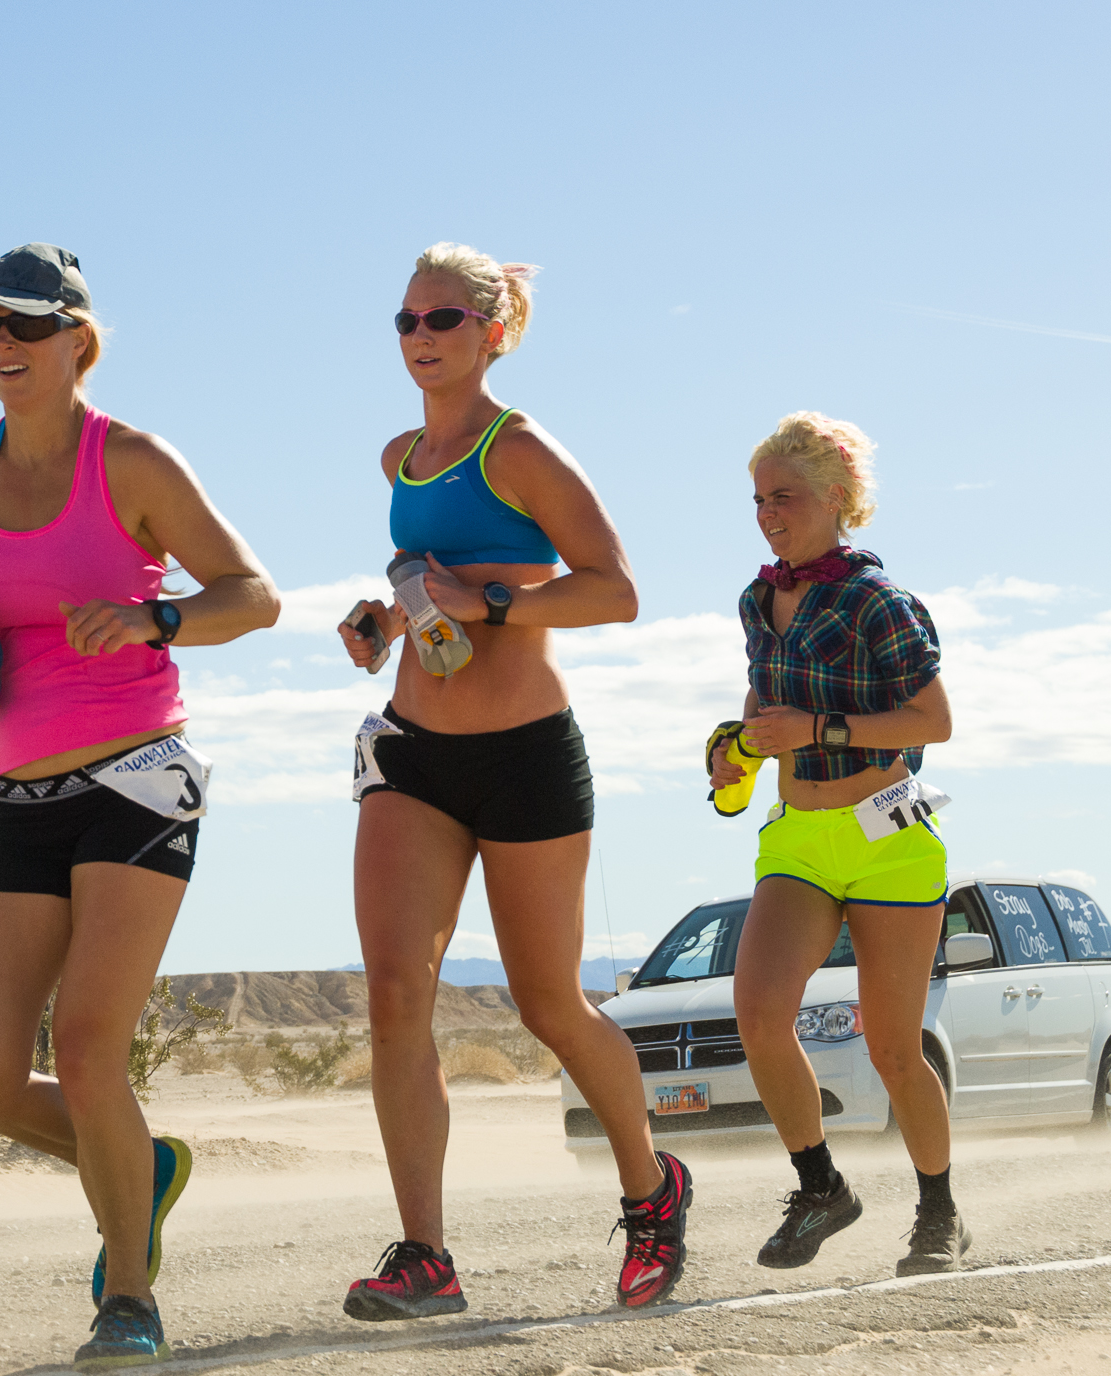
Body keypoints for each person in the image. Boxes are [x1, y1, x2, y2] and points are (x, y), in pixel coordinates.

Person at [0, 244, 279, 1371]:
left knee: (85, 1047)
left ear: (79, 336)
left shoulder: (132, 460)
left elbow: (252, 596)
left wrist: (154, 621)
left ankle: (129, 1296)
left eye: (24, 326)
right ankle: (143, 1171)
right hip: (16, 790)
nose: (2, 347)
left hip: (138, 776)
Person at [337, 243, 694, 1316]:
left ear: (492, 330)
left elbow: (614, 591)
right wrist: (384, 619)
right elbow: (429, 577)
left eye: (441, 319)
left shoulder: (521, 447)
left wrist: (491, 604)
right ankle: (424, 1257)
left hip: (527, 750)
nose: (418, 338)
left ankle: (650, 1188)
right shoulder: (399, 453)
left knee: (548, 1002)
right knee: (397, 993)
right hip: (412, 748)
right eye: (403, 320)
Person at [710, 411, 964, 1276]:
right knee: (757, 1013)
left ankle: (937, 1215)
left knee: (893, 1048)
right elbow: (758, 706)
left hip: (888, 840)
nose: (767, 513)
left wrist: (820, 724)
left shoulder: (878, 601)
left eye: (783, 496)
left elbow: (933, 721)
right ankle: (821, 1188)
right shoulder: (757, 598)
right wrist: (735, 752)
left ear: (837, 498)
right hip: (799, 839)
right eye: (757, 499)